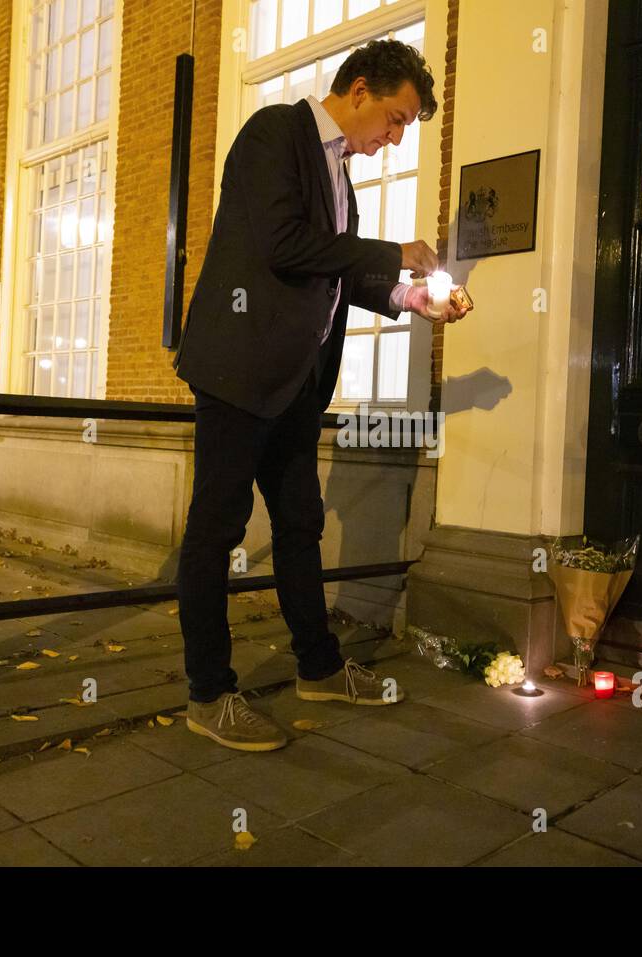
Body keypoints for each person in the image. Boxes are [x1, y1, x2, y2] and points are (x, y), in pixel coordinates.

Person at [173, 38, 471, 751]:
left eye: (405, 128)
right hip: (240, 369)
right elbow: (285, 245)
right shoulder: (273, 133)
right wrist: (390, 252)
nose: (394, 138)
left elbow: (338, 274)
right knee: (217, 529)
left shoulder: (340, 173)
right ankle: (209, 693)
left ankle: (317, 666)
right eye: (395, 119)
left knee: (300, 524)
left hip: (297, 381)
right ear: (360, 89)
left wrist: (409, 296)